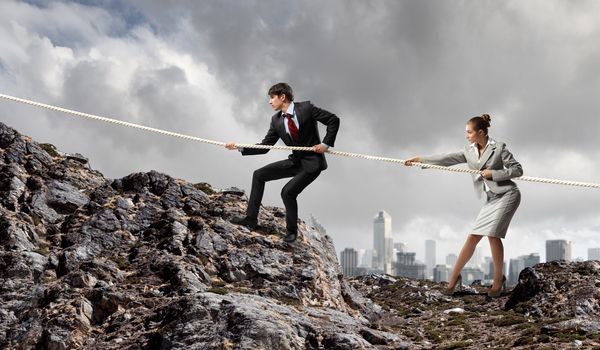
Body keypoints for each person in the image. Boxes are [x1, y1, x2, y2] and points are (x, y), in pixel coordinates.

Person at [405, 114, 522, 297]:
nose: (466, 135)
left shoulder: (499, 148)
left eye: (469, 132)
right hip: (491, 198)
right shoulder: (468, 151)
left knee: (492, 236)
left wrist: (494, 173)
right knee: (473, 237)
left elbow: (517, 170)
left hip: (507, 194)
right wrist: (420, 159)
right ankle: (453, 280)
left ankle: (498, 282)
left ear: (480, 132)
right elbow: (446, 158)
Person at [225, 83, 340, 243]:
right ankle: (251, 219)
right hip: (295, 161)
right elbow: (265, 147)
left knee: (287, 192)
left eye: (272, 97)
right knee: (259, 175)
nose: (270, 101)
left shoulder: (306, 109)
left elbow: (333, 120)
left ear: (282, 97)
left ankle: (292, 233)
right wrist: (240, 147)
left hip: (312, 164)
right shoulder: (276, 120)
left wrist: (325, 144)